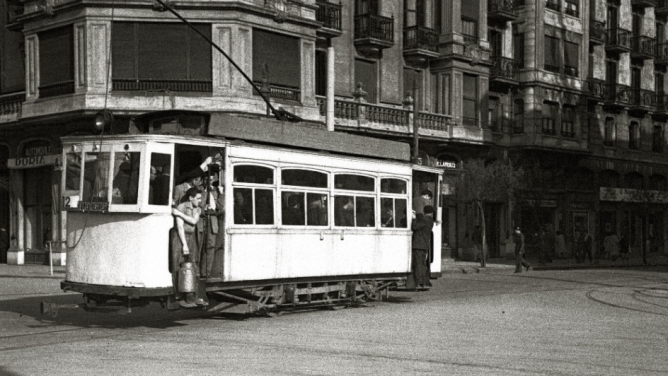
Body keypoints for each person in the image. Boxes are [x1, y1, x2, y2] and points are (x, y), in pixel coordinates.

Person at [171, 187, 206, 308]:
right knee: (179, 265)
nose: (200, 201)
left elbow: (194, 221)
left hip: (192, 237)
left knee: (192, 264)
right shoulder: (182, 206)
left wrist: (179, 213)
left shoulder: (197, 209)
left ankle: (192, 296)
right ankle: (179, 297)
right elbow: (180, 227)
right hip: (180, 237)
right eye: (198, 198)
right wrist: (184, 244)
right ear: (191, 198)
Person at [199, 173, 225, 277]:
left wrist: (221, 194)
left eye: (210, 180)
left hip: (212, 222)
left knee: (210, 247)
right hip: (201, 221)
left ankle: (206, 273)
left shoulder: (215, 191)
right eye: (206, 180)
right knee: (200, 247)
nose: (208, 182)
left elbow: (220, 206)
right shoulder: (200, 190)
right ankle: (197, 273)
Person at [408, 206, 435, 289]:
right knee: (422, 264)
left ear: (424, 211)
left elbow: (415, 227)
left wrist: (413, 218)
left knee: (418, 264)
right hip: (424, 245)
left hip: (418, 244)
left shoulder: (424, 220)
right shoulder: (431, 221)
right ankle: (423, 281)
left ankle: (418, 282)